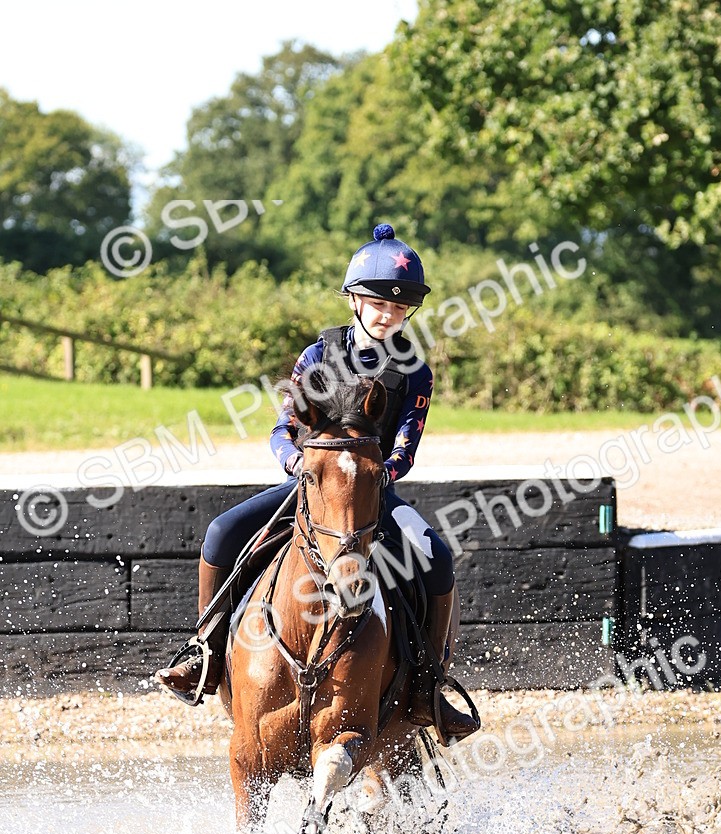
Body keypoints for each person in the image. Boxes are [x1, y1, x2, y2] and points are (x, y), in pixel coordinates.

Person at [156, 224, 479, 741]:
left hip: (373, 494)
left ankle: (427, 687)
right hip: (309, 486)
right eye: (378, 303)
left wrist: (374, 479)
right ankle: (206, 655)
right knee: (220, 533)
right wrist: (295, 465)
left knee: (437, 558)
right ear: (354, 298)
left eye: (399, 309)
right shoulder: (317, 357)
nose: (388, 315)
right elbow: (284, 427)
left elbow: (405, 446)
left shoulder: (416, 370)